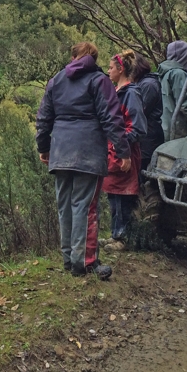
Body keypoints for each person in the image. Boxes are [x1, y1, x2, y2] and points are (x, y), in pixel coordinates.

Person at [36, 42, 130, 279]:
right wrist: (123, 151)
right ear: (94, 58)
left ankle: (69, 259)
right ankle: (85, 262)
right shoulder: (99, 81)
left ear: (73, 56)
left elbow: (44, 116)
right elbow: (111, 117)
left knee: (64, 205)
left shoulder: (56, 80)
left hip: (60, 150)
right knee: (85, 207)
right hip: (88, 151)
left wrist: (44, 147)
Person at [102, 50, 147, 252]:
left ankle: (122, 237)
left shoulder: (131, 94)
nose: (108, 71)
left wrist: (121, 145)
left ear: (120, 70)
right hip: (113, 151)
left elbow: (137, 127)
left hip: (125, 153)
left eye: (111, 68)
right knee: (113, 193)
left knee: (122, 195)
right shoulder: (117, 92)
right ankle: (115, 233)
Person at [133, 53, 164, 174]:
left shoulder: (148, 85)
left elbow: (140, 111)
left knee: (143, 173)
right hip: (144, 138)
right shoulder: (140, 83)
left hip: (148, 139)